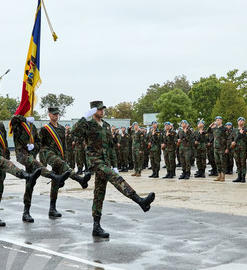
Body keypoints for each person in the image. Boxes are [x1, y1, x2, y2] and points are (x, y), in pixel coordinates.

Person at [72, 101, 155, 238]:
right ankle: (140, 200)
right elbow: (75, 131)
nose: (102, 111)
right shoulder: (87, 125)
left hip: (105, 162)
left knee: (99, 193)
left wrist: (115, 165)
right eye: (99, 109)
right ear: (93, 111)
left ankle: (96, 226)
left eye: (103, 109)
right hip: (94, 161)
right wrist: (83, 117)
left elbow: (110, 148)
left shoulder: (106, 126)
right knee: (115, 179)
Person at [10, 114, 71, 222]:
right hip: (22, 155)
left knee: (30, 184)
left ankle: (34, 211)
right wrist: (24, 119)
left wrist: (34, 147)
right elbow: (13, 119)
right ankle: (26, 212)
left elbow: (39, 142)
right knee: (38, 167)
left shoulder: (32, 127)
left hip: (32, 156)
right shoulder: (18, 125)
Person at [39, 107, 92, 217]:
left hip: (59, 157)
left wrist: (83, 118)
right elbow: (39, 144)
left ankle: (52, 208)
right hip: (49, 155)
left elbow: (65, 144)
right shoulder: (45, 129)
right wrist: (41, 161)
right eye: (54, 114)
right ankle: (79, 179)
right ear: (49, 115)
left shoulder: (62, 129)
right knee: (64, 166)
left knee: (55, 182)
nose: (56, 116)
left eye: (57, 114)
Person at [231, 117, 247, 182]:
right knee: (237, 163)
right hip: (236, 149)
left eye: (242, 120)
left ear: (244, 122)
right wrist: (232, 142)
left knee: (243, 163)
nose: (240, 122)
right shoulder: (234, 130)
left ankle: (243, 177)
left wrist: (242, 134)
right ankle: (239, 176)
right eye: (239, 120)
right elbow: (231, 138)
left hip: (243, 149)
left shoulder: (246, 130)